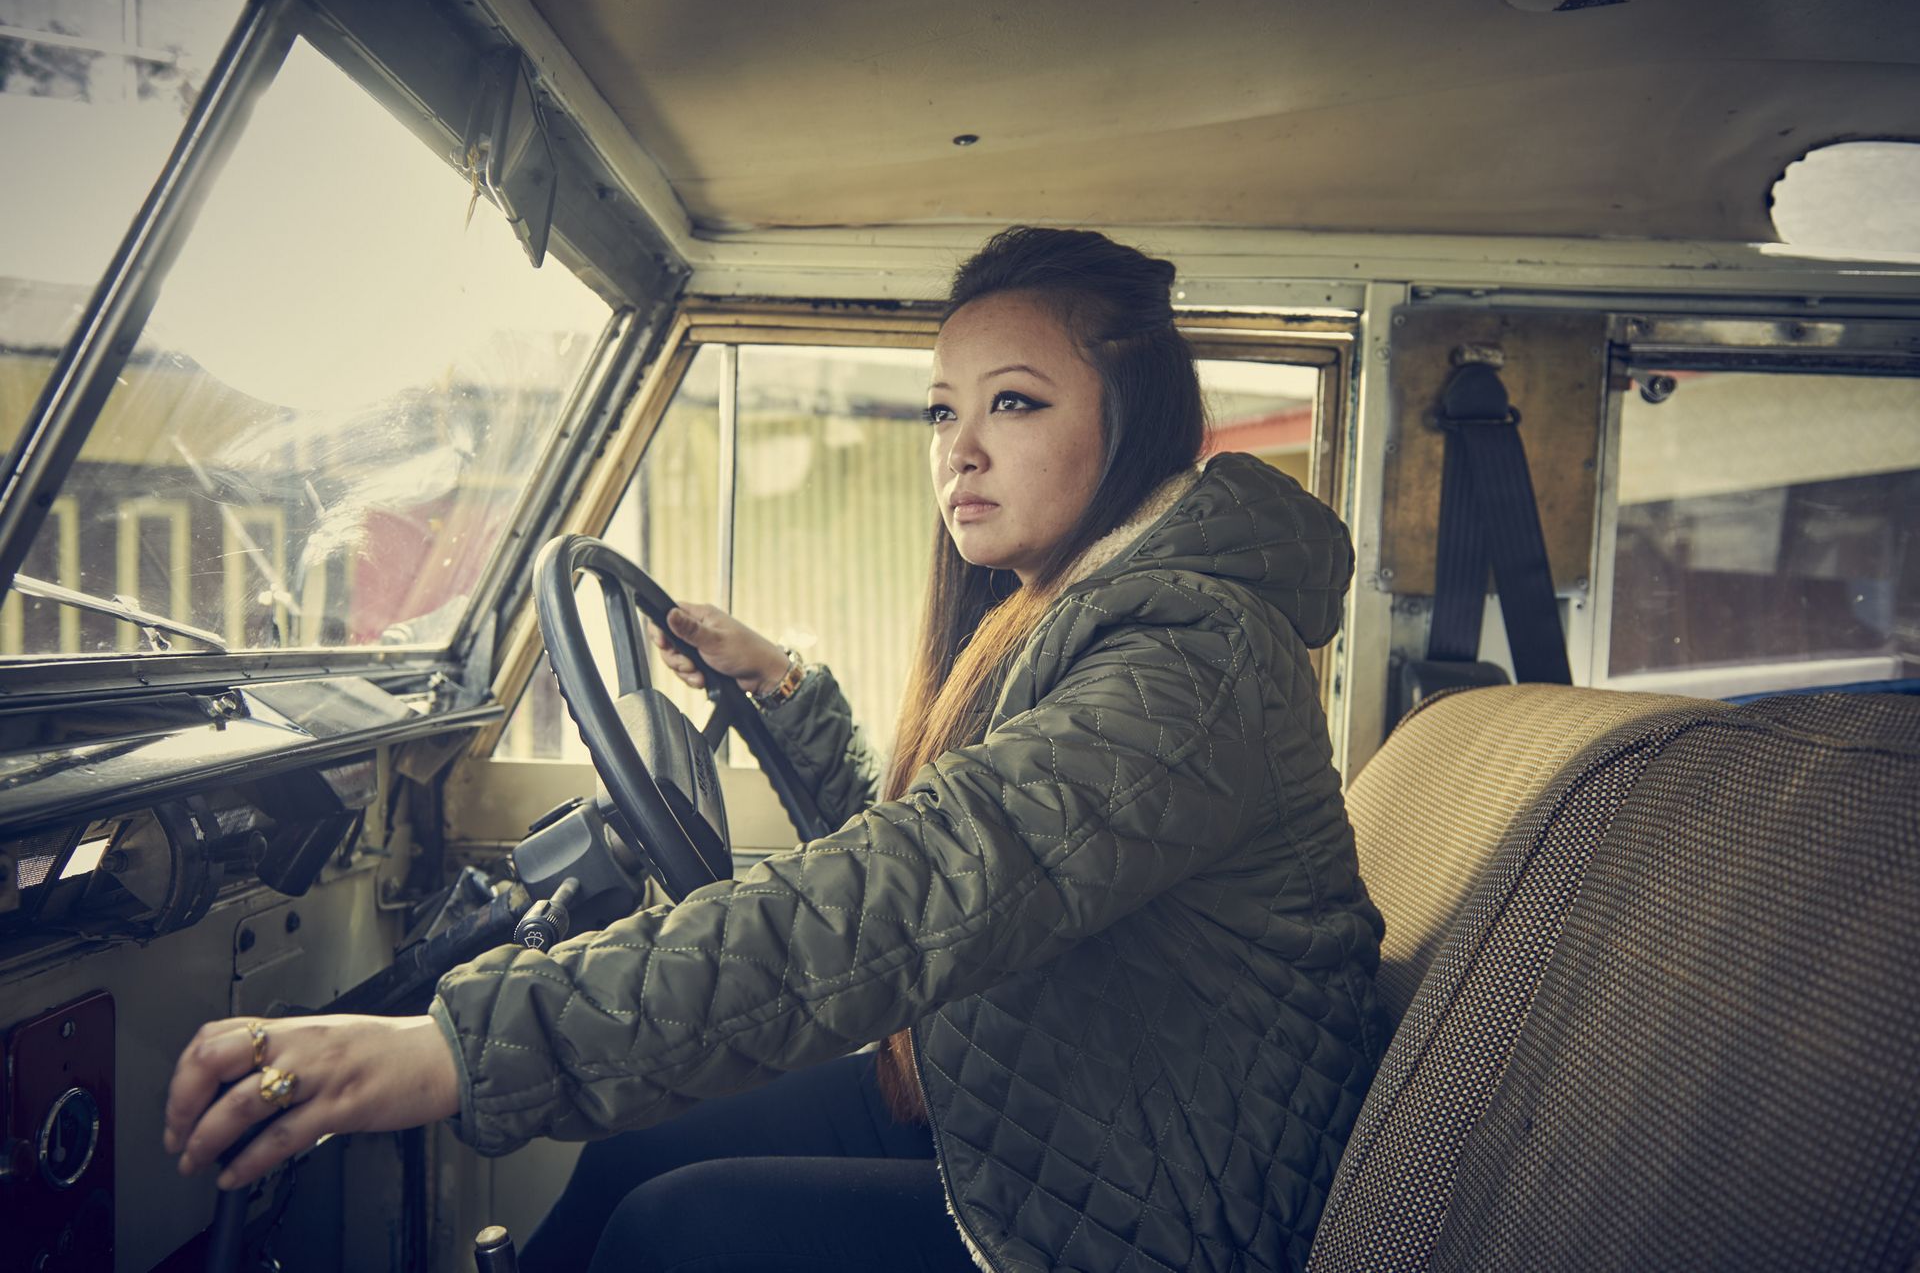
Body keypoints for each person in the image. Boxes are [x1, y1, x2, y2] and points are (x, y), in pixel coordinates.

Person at [164, 226, 1389, 1273]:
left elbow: (925, 887)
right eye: (942, 408)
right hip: (1031, 1105)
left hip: (1142, 1208)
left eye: (1014, 401)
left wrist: (458, 1046)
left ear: (1134, 423)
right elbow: (971, 852)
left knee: (674, 1232)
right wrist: (784, 692)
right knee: (632, 1152)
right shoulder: (1071, 616)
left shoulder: (1188, 655)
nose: (957, 449)